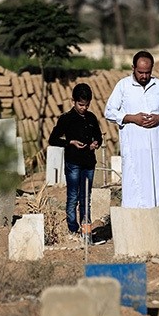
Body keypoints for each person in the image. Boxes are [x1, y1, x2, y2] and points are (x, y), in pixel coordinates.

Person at [104, 50, 159, 216]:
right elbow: (109, 111)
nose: (144, 76)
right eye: (140, 72)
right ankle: (136, 224)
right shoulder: (123, 86)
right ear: (133, 68)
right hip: (135, 149)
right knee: (135, 185)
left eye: (147, 72)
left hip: (157, 149)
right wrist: (131, 118)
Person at [48, 83, 103, 237]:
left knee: (86, 198)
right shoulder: (66, 119)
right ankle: (73, 229)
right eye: (80, 105)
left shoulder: (91, 118)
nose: (83, 108)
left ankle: (86, 233)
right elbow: (53, 139)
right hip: (73, 163)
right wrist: (70, 142)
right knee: (73, 197)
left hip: (89, 164)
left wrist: (96, 143)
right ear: (73, 101)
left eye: (86, 105)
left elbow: (98, 136)